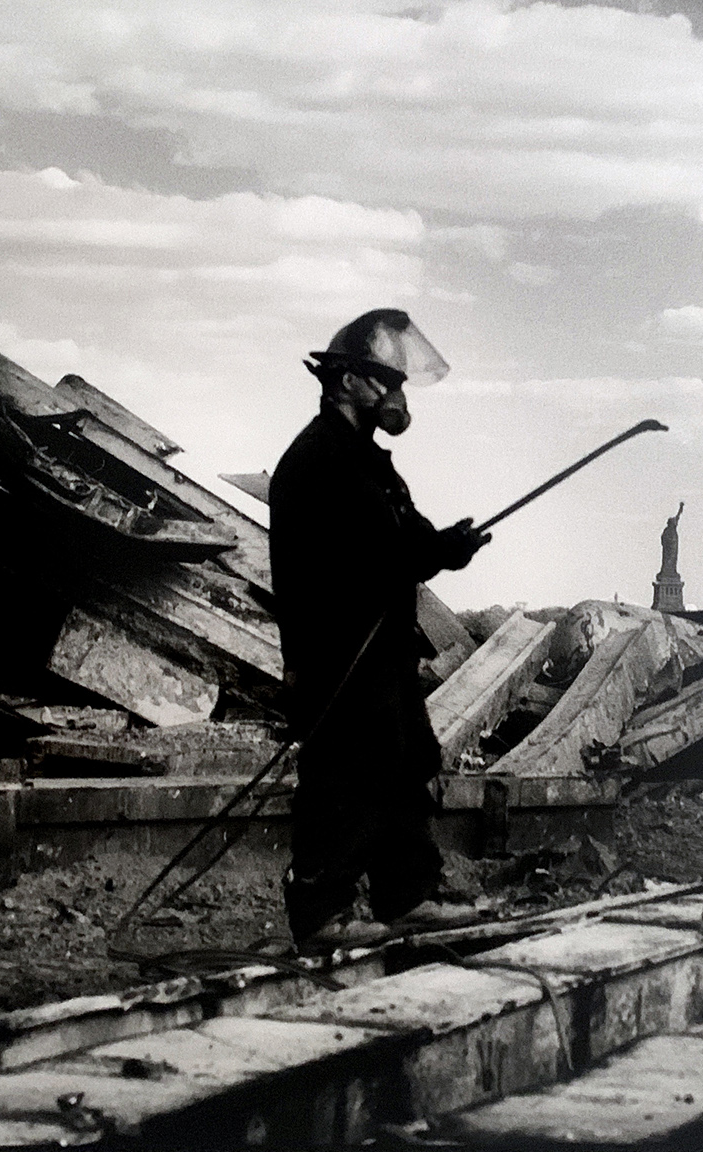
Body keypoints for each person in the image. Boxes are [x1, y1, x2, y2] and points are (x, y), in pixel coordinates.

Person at [269, 309, 490, 948]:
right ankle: (319, 914)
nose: (396, 397)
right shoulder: (316, 462)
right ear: (342, 381)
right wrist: (425, 553)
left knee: (404, 762)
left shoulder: (370, 464)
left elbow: (404, 540)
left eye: (398, 383)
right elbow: (359, 560)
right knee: (345, 775)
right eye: (382, 382)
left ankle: (406, 896)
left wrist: (446, 545)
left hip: (382, 653)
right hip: (337, 655)